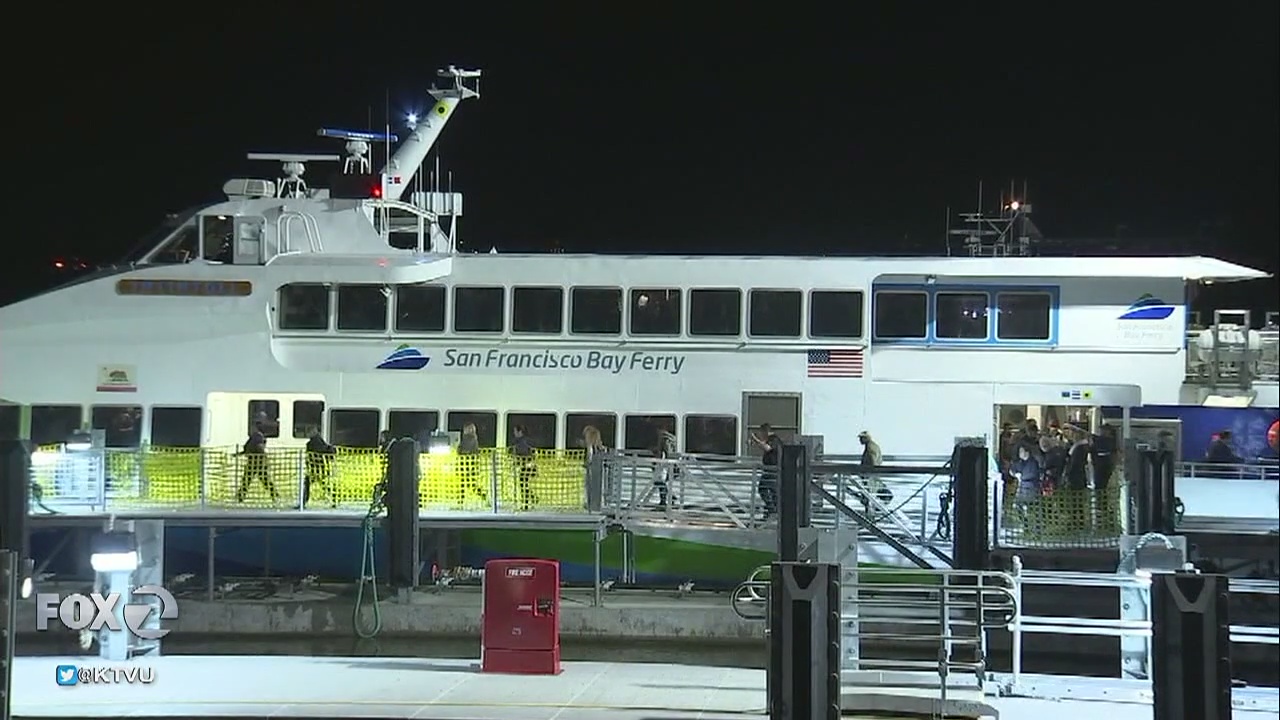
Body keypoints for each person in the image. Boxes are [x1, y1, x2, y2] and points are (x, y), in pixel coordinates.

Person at [236, 421, 277, 503]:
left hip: (254, 462)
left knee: (247, 479)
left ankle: (241, 496)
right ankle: (274, 494)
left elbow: (256, 448)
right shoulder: (259, 437)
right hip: (258, 462)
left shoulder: (256, 437)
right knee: (264, 480)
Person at [749, 423, 781, 521]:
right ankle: (772, 510)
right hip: (769, 470)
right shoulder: (771, 439)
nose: (761, 435)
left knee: (766, 489)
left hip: (772, 470)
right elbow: (763, 445)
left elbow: (767, 448)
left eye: (762, 433)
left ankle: (773, 510)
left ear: (765, 431)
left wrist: (756, 439)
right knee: (771, 490)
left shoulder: (774, 439)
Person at [857, 431, 892, 516]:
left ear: (866, 438)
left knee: (869, 497)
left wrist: (866, 470)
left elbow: (872, 461)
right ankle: (874, 511)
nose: (860, 440)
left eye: (861, 438)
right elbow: (880, 460)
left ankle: (871, 515)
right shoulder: (874, 446)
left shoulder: (870, 448)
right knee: (871, 496)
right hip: (873, 476)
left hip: (870, 476)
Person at [303, 427, 336, 508]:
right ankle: (333, 500)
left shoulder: (313, 443)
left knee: (309, 484)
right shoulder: (320, 442)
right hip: (320, 468)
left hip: (316, 468)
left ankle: (304, 501)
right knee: (324, 485)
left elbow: (311, 455)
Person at [510, 424, 537, 510]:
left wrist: (517, 460)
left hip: (527, 466)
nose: (514, 433)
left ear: (520, 432)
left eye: (515, 431)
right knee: (524, 484)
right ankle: (532, 498)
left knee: (523, 484)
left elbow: (523, 454)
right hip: (529, 465)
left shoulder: (521, 442)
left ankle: (526, 503)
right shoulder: (525, 441)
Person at [458, 422, 486, 503]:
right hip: (466, 463)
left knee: (468, 482)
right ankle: (461, 498)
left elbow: (470, 450)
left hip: (469, 463)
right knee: (466, 482)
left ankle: (480, 494)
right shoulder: (466, 439)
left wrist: (462, 452)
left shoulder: (472, 439)